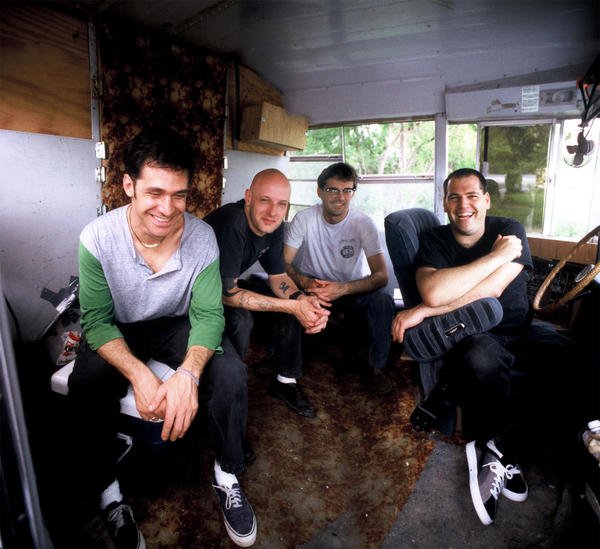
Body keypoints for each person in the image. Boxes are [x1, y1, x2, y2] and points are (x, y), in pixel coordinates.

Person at [68, 128, 256, 548]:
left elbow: (208, 315)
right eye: (155, 192)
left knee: (231, 373)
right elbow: (96, 321)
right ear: (128, 185)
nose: (167, 208)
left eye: (179, 195)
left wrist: (188, 375)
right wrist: (140, 375)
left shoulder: (202, 238)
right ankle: (108, 491)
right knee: (87, 381)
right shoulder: (97, 238)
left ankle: (227, 472)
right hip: (120, 325)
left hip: (176, 322)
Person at [390, 167, 577, 526]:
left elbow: (491, 291)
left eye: (472, 196)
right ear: (445, 203)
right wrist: (494, 258)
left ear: (487, 200)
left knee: (578, 359)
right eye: (454, 197)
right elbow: (434, 291)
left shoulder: (510, 229)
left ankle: (499, 449)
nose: (464, 206)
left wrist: (426, 309)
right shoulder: (435, 240)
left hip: (520, 329)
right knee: (480, 358)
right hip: (477, 334)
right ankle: (497, 449)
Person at [204, 169, 329, 418]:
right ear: (248, 197)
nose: (273, 212)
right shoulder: (233, 222)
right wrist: (292, 307)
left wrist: (301, 300)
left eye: (281, 204)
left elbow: (278, 277)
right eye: (265, 200)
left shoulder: (274, 226)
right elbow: (227, 294)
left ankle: (285, 382)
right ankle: (224, 393)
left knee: (290, 303)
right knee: (241, 320)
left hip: (225, 288)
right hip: (194, 297)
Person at [284, 162, 396, 395]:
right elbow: (283, 264)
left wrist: (343, 289)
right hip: (314, 286)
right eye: (333, 189)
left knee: (382, 300)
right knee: (284, 294)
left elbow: (381, 276)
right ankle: (286, 367)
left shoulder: (363, 222)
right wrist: (305, 282)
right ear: (320, 191)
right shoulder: (304, 218)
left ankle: (377, 369)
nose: (341, 197)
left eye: (347, 190)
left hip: (352, 289)